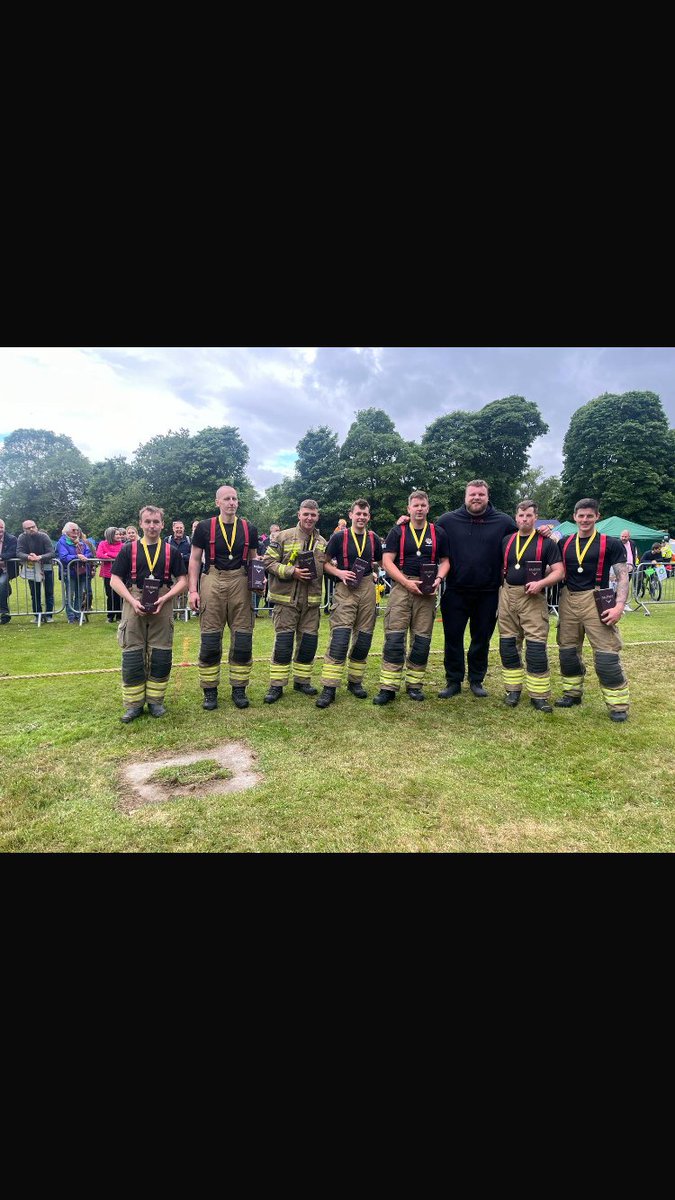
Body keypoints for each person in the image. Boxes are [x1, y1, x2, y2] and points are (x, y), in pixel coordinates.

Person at [434, 480, 519, 698]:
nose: (476, 498)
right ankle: (453, 681)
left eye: (481, 494)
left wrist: (547, 533)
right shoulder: (447, 521)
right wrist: (403, 522)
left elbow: (523, 540)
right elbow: (424, 535)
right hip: (455, 591)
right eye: (472, 494)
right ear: (465, 496)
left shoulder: (504, 522)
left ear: (487, 496)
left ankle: (476, 680)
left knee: (481, 639)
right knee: (452, 638)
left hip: (488, 592)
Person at [110, 505, 188, 722]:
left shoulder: (171, 551)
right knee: (133, 654)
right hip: (134, 599)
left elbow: (183, 580)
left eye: (156, 522)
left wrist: (166, 597)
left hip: (162, 602)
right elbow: (114, 579)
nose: (152, 526)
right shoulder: (128, 550)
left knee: (161, 654)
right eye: (148, 521)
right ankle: (134, 705)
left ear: (163, 524)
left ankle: (156, 702)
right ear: (141, 523)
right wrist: (131, 600)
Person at [372, 490, 450, 705]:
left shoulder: (438, 533)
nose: (419, 509)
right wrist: (406, 582)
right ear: (408, 508)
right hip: (401, 588)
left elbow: (445, 561)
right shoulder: (398, 531)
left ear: (428, 507)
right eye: (415, 505)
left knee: (421, 640)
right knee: (395, 638)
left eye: (423, 505)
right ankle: (388, 687)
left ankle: (415, 685)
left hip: (427, 591)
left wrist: (439, 578)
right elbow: (387, 562)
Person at [556, 498, 630, 721]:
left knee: (606, 655)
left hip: (598, 598)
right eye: (581, 516)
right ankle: (572, 693)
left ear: (597, 516)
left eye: (590, 516)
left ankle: (618, 706)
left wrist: (619, 605)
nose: (585, 520)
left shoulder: (612, 544)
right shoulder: (564, 543)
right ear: (574, 517)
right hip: (568, 599)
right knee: (567, 652)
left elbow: (622, 576)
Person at [189, 485, 262, 711]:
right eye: (227, 499)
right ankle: (210, 691)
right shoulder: (203, 527)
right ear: (217, 502)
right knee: (210, 638)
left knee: (242, 637)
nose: (232, 502)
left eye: (235, 499)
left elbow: (254, 559)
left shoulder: (248, 528)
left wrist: (259, 581)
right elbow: (194, 560)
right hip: (212, 579)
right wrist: (193, 590)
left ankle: (239, 689)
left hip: (240, 580)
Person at [316, 498, 384, 708]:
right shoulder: (338, 537)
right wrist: (339, 572)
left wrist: (376, 574)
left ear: (368, 516)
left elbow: (382, 562)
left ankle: (355, 682)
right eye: (358, 513)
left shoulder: (373, 538)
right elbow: (324, 563)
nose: (361, 517)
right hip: (345, 588)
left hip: (366, 588)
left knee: (364, 637)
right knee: (340, 637)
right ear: (351, 515)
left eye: (365, 514)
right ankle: (329, 688)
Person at [498, 500, 564, 713]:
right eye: (521, 516)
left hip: (533, 598)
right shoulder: (507, 540)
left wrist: (541, 583)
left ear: (536, 518)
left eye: (529, 516)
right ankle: (513, 690)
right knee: (508, 645)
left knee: (535, 647)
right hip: (508, 595)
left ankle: (539, 695)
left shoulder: (547, 543)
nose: (525, 519)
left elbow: (559, 571)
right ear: (516, 517)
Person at [261, 500, 328, 703]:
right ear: (299, 514)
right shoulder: (284, 536)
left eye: (313, 515)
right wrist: (292, 572)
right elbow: (267, 561)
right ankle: (277, 685)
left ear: (317, 517)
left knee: (308, 643)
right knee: (284, 643)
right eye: (306, 514)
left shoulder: (323, 542)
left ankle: (302, 681)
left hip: (311, 602)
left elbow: (327, 565)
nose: (309, 518)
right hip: (286, 600)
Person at [16, 520, 55, 622]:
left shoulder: (44, 536)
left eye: (33, 527)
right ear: (24, 530)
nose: (31, 529)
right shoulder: (22, 537)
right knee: (35, 593)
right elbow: (19, 552)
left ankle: (49, 615)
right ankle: (37, 615)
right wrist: (29, 557)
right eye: (28, 528)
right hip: (32, 568)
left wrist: (39, 557)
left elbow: (51, 552)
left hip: (47, 566)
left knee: (49, 592)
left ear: (36, 526)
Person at [55, 522, 93, 624]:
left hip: (82, 572)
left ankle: (78, 614)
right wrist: (77, 557)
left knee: (80, 594)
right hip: (69, 573)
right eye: (73, 530)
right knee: (70, 595)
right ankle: (71, 616)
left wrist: (85, 556)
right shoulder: (61, 542)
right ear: (66, 532)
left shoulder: (81, 542)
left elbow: (89, 553)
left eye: (77, 530)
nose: (76, 532)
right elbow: (63, 557)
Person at [96, 527, 125, 621]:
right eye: (116, 534)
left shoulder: (123, 545)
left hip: (120, 573)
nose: (119, 536)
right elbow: (99, 554)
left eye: (119, 534)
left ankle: (119, 616)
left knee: (120, 595)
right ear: (110, 535)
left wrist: (108, 554)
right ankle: (110, 616)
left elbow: (122, 556)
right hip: (107, 573)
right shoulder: (102, 544)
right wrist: (113, 556)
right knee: (110, 595)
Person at [167, 520, 192, 618]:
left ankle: (182, 614)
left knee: (184, 593)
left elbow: (193, 554)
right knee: (172, 592)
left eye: (181, 528)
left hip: (184, 571)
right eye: (177, 528)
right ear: (173, 529)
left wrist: (182, 557)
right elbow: (164, 553)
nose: (179, 530)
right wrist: (176, 557)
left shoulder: (189, 540)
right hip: (171, 571)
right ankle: (172, 613)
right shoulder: (167, 540)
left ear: (183, 529)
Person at [0, 519, 18, 624]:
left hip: (7, 569)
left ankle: (4, 613)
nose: (0, 530)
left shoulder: (12, 539)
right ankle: (7, 591)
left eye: (1, 527)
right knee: (4, 590)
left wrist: (1, 557)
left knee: (2, 584)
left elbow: (12, 552)